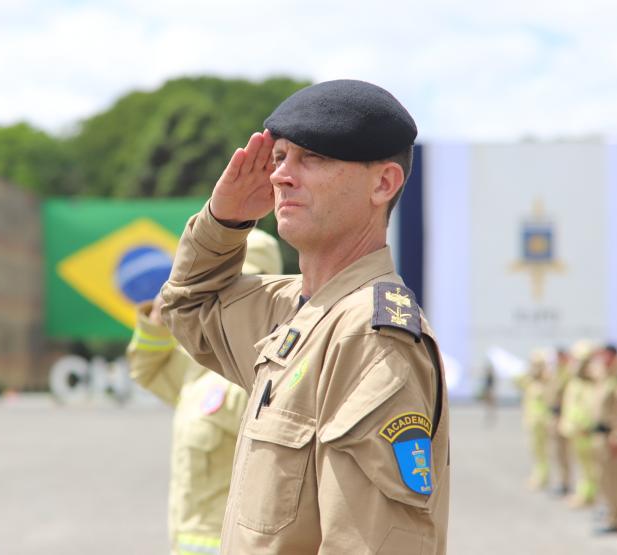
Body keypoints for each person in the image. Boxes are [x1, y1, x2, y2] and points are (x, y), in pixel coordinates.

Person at [160, 79, 449, 553]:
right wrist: (224, 220)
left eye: (313, 158)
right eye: (279, 158)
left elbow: (368, 544)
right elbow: (188, 307)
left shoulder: (371, 336)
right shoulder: (294, 307)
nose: (280, 176)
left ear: (383, 184)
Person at [127, 228, 282, 555]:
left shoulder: (272, 372)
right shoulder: (201, 363)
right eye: (216, 291)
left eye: (237, 292)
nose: (224, 305)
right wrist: (157, 319)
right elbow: (146, 369)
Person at [592, 344, 617, 534]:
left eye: (608, 357)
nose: (604, 360)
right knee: (604, 479)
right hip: (601, 436)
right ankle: (609, 513)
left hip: (614, 437)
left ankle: (616, 521)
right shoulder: (605, 379)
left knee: (615, 482)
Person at [558, 340, 599, 508]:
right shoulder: (575, 381)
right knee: (583, 465)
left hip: (586, 431)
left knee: (591, 467)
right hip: (576, 430)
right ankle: (585, 493)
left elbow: (590, 409)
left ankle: (590, 495)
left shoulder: (592, 384)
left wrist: (585, 426)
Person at [514, 350, 551, 490]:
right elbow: (517, 381)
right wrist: (530, 372)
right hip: (532, 421)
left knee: (543, 451)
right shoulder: (530, 381)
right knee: (535, 450)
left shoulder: (547, 381)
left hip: (543, 422)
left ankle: (543, 476)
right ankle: (538, 475)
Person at [545, 347, 573, 496]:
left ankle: (567, 483)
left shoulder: (567, 373)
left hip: (564, 417)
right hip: (555, 417)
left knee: (566, 454)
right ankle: (563, 482)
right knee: (558, 454)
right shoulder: (555, 373)